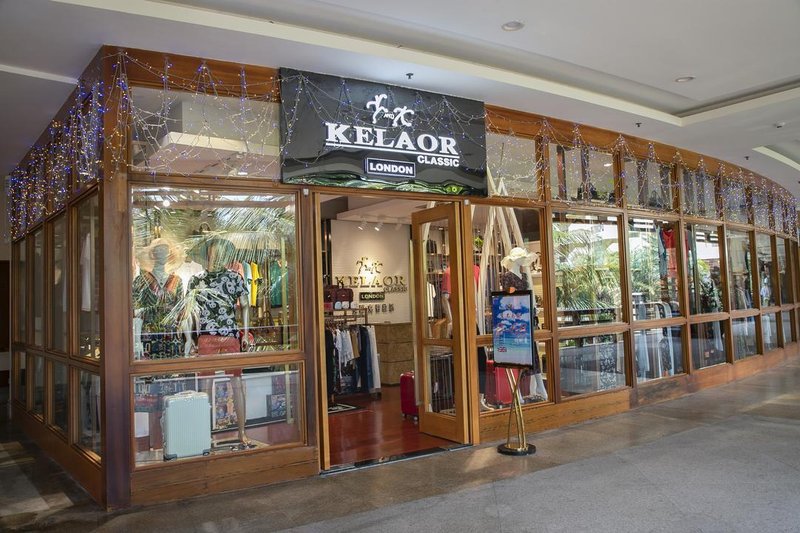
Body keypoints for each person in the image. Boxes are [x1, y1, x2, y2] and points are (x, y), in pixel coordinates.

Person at [187, 237, 253, 448]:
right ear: (208, 254)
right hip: (206, 336)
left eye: (222, 253)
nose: (217, 257)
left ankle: (242, 431)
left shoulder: (234, 277)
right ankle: (204, 433)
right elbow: (190, 311)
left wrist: (245, 334)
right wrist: (190, 338)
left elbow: (245, 305)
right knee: (205, 387)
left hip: (230, 335)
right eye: (214, 253)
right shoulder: (196, 280)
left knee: (237, 383)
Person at [499, 246, 548, 402]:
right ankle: (518, 392)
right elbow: (509, 299)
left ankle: (540, 386)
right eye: (521, 258)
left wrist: (532, 309)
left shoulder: (524, 276)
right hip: (516, 321)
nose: (523, 261)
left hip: (527, 319)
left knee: (532, 353)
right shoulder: (507, 277)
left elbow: (527, 296)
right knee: (519, 355)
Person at [132, 238, 184, 360]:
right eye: (159, 250)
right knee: (149, 369)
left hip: (172, 336)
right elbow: (136, 312)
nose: (163, 253)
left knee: (171, 369)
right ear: (153, 254)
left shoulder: (177, 281)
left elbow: (181, 312)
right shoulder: (141, 281)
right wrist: (136, 341)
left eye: (166, 250)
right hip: (148, 334)